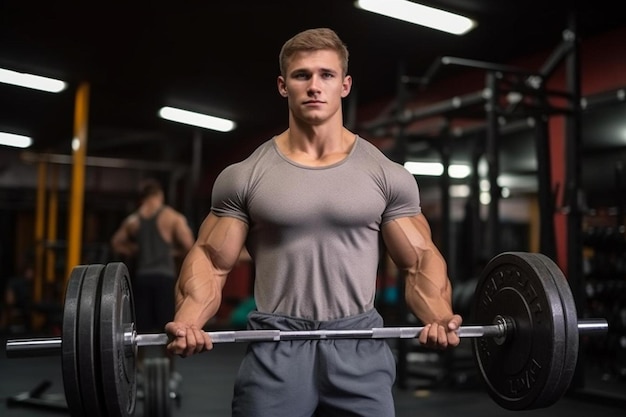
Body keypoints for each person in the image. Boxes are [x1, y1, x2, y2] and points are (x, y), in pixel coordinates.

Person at [165, 28, 462, 416]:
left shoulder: (387, 174)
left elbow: (419, 258)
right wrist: (188, 322)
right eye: (302, 75)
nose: (314, 86)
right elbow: (211, 259)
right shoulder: (245, 175)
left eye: (327, 75)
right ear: (283, 85)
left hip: (358, 343)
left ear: (345, 84)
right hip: (278, 346)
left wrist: (439, 317)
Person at [111, 178, 195, 380]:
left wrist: (135, 251)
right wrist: (171, 253)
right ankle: (169, 372)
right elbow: (190, 245)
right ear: (160, 195)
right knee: (169, 327)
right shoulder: (172, 217)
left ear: (144, 197)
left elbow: (116, 243)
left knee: (139, 328)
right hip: (164, 279)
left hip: (142, 278)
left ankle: (137, 371)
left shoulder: (134, 219)